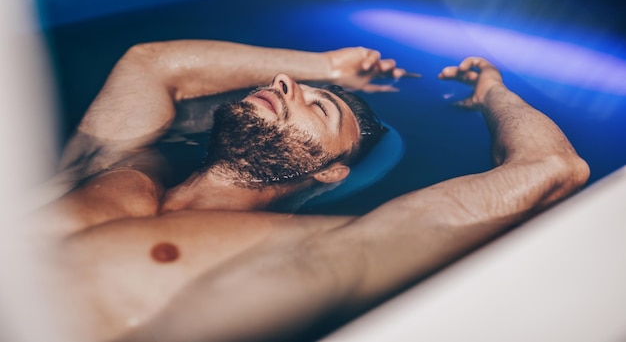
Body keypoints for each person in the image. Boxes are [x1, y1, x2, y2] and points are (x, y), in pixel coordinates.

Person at [28, 40, 589, 342]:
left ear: (330, 171)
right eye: (290, 86)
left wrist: (492, 90)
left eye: (319, 107)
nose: (282, 83)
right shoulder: (123, 163)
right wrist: (328, 69)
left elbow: (552, 168)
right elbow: (150, 64)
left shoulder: (315, 247)